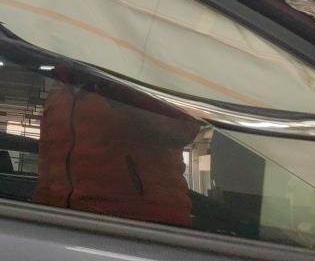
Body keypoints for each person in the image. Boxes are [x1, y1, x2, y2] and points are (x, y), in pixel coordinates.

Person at [33, 64, 200, 228]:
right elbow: (47, 163)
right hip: (67, 222)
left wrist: (117, 89)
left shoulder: (149, 74)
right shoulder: (60, 89)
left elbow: (184, 129)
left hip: (147, 222)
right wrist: (42, 215)